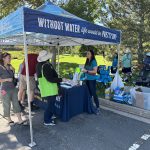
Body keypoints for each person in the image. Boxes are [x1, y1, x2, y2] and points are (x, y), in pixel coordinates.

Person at [0, 52, 27, 125]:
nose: (10, 59)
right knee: (6, 104)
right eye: (9, 58)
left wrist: (13, 70)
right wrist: (6, 80)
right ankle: (9, 120)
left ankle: (20, 119)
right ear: (3, 59)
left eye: (10, 58)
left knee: (16, 103)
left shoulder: (10, 66)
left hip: (13, 88)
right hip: (4, 89)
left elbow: (12, 76)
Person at [36, 50, 62, 126]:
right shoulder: (46, 65)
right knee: (50, 104)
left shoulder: (39, 64)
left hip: (45, 88)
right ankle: (47, 120)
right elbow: (50, 79)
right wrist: (61, 79)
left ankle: (50, 116)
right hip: (50, 88)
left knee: (50, 103)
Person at [82, 50, 100, 115]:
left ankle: (97, 107)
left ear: (92, 55)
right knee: (88, 94)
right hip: (87, 79)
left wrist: (86, 71)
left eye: (88, 54)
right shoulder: (87, 61)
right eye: (86, 53)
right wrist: (82, 69)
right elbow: (84, 68)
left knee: (93, 94)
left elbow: (95, 71)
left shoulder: (94, 61)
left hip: (92, 80)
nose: (87, 55)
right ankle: (89, 107)